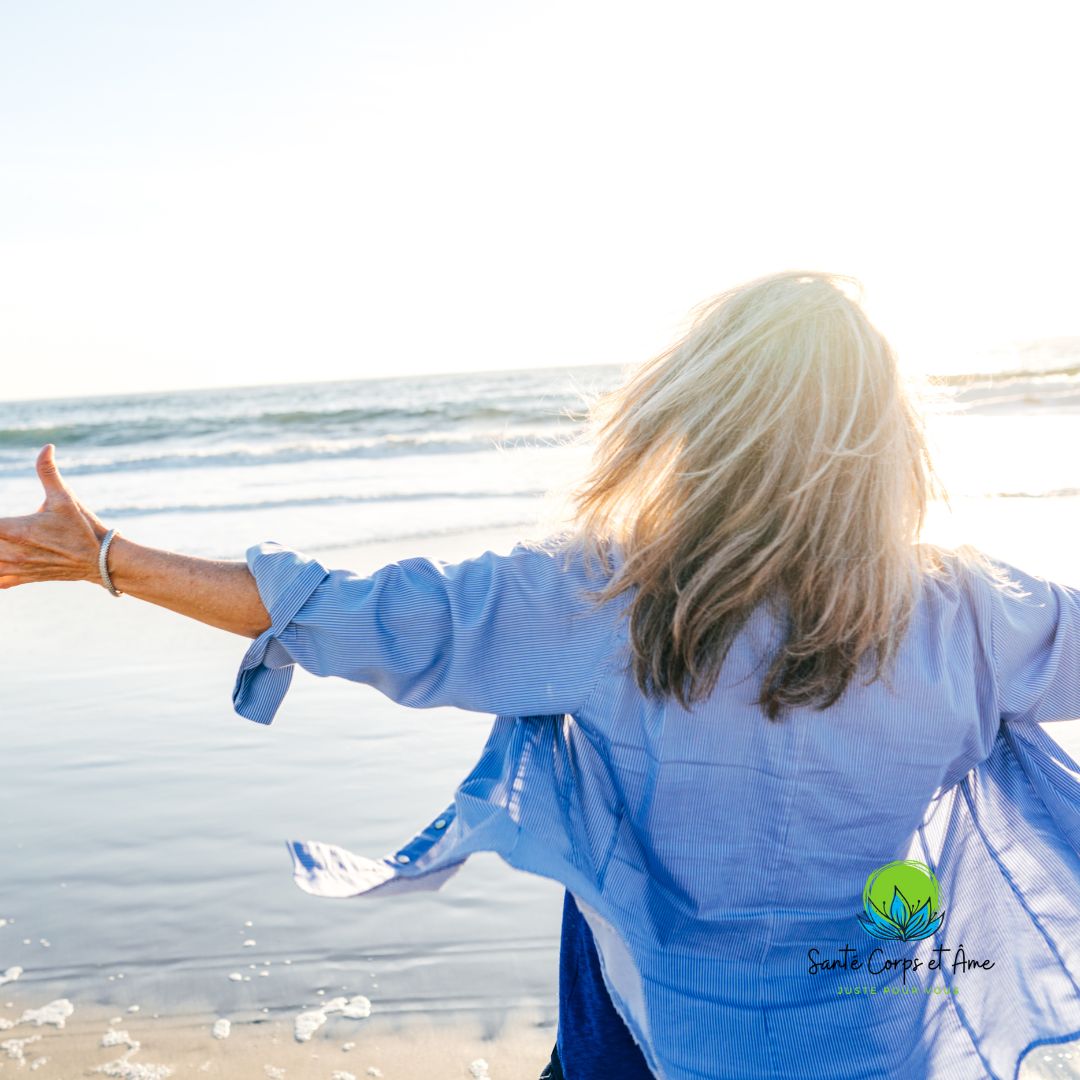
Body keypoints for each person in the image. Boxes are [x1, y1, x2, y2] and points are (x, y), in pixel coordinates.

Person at [1, 270, 1078, 1079]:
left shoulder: (598, 599)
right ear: (892, 441)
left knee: (582, 831)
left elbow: (360, 616)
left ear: (695, 418)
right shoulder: (972, 615)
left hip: (665, 1039)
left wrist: (106, 559)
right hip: (872, 1040)